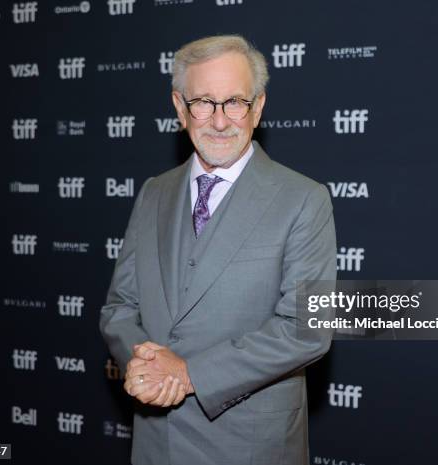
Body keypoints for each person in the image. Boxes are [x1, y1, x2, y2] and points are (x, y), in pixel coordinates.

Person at [100, 34, 337, 465]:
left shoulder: (304, 198)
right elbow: (120, 306)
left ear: (259, 106)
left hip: (250, 445)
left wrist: (189, 374)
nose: (220, 121)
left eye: (235, 102)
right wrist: (144, 366)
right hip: (156, 440)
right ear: (178, 106)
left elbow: (307, 328)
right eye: (204, 102)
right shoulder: (155, 192)